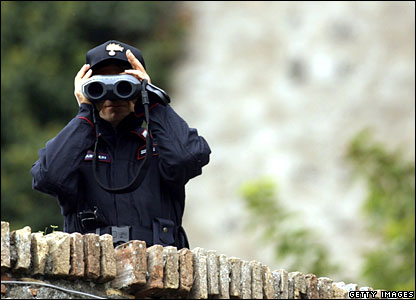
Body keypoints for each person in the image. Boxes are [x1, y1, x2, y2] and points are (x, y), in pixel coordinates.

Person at [31, 40, 211, 248]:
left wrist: (151, 100)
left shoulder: (160, 145)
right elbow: (47, 177)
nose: (112, 94)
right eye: (100, 84)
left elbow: (187, 157)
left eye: (123, 84)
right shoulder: (76, 148)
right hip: (88, 273)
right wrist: (86, 113)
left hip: (160, 272)